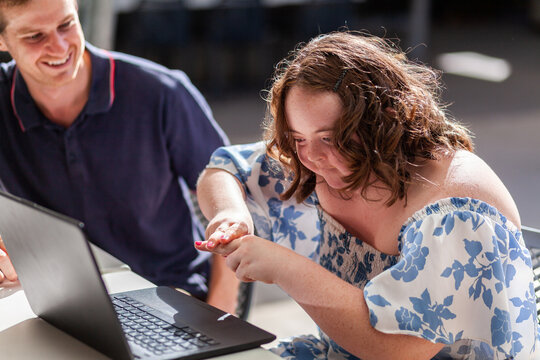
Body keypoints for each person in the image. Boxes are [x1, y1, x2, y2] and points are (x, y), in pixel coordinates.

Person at [196, 32, 539, 359]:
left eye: (330, 137)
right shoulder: (326, 166)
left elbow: (399, 350)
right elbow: (225, 169)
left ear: (383, 120)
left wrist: (284, 268)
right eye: (299, 138)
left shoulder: (456, 207)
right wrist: (230, 215)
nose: (312, 156)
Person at [0, 0, 239, 313]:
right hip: (57, 298)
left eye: (66, 25)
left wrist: (221, 315)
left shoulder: (161, 92)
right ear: (2, 40)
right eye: (35, 36)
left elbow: (236, 200)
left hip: (167, 292)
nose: (59, 47)